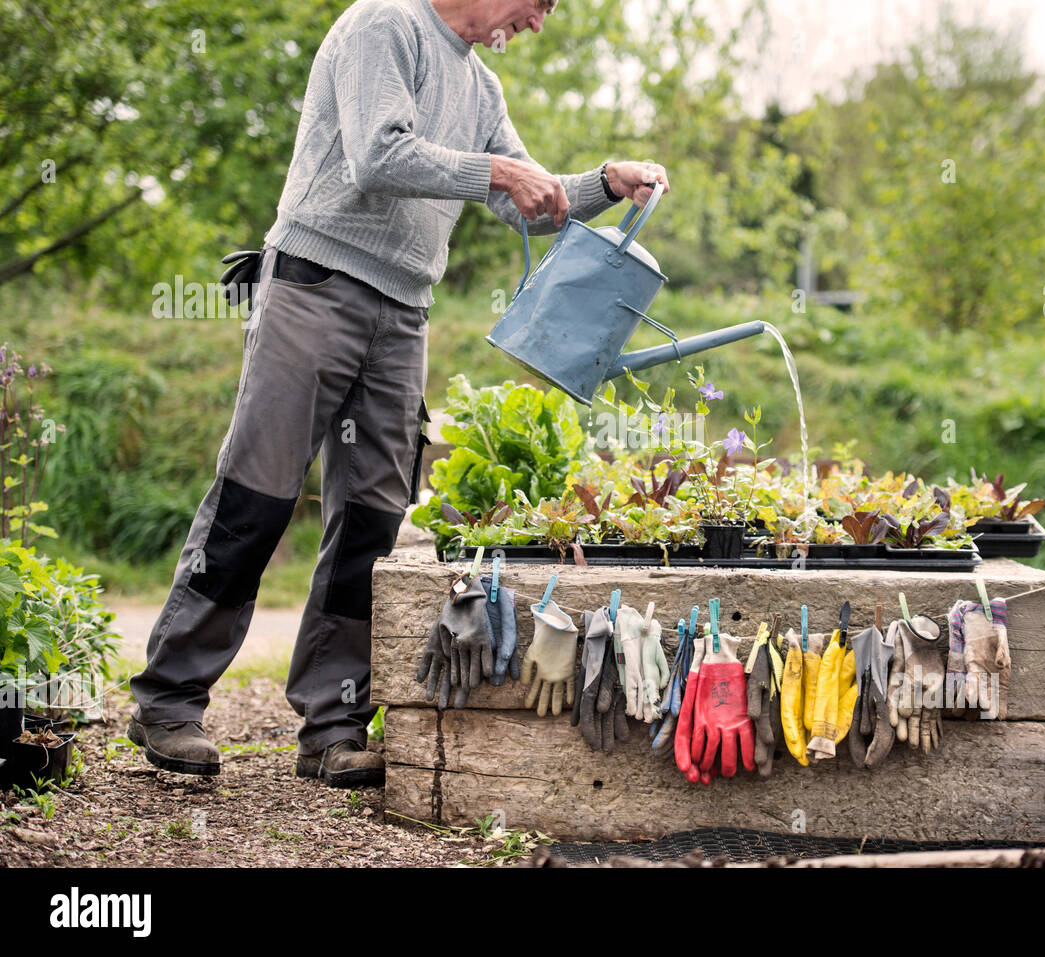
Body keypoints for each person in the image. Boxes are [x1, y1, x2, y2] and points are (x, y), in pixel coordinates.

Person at [127, 0, 670, 787]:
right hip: (316, 286)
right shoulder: (384, 24)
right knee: (258, 492)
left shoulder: (480, 86)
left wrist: (601, 184)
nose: (540, 23)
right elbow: (377, 157)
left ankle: (333, 722)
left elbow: (522, 197)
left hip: (402, 311)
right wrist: (499, 170)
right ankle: (170, 701)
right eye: (541, 3)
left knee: (373, 519)